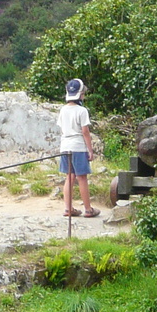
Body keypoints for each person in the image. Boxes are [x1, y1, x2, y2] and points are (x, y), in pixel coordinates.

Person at [59, 78, 99, 218]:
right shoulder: (82, 111)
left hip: (65, 146)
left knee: (69, 177)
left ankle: (68, 208)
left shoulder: (63, 110)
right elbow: (85, 132)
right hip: (78, 146)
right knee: (82, 177)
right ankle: (88, 209)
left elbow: (62, 128)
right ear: (80, 94)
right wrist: (90, 149)